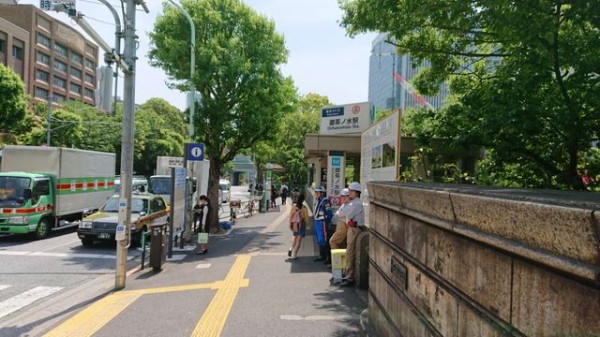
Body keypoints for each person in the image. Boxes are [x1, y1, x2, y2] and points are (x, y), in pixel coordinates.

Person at [340, 182, 365, 287]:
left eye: (351, 191)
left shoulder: (356, 203)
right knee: (350, 251)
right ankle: (349, 275)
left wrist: (346, 203)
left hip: (354, 229)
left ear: (356, 192)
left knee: (350, 252)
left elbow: (343, 213)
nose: (349, 193)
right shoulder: (354, 202)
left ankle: (350, 277)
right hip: (353, 228)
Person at [313, 185, 333, 264]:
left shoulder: (326, 201)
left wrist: (326, 219)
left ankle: (326, 257)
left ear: (322, 193)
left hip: (322, 222)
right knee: (319, 239)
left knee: (323, 239)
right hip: (317, 221)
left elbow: (329, 213)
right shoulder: (318, 200)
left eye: (318, 192)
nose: (316, 193)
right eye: (316, 192)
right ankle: (322, 255)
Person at [286, 193, 308, 261]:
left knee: (295, 237)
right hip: (301, 224)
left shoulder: (293, 206)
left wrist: (290, 224)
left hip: (294, 224)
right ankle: (294, 255)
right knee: (298, 239)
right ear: (303, 199)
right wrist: (308, 225)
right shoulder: (304, 207)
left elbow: (289, 216)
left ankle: (291, 248)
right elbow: (306, 217)